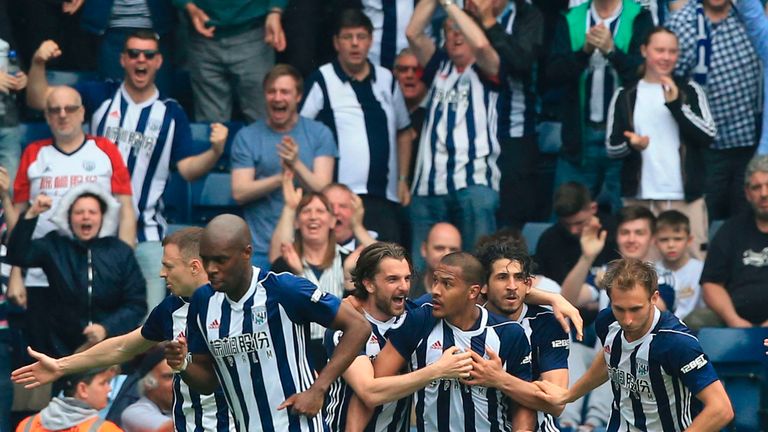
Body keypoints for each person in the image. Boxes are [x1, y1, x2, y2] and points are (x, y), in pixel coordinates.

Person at [25, 33, 228, 311]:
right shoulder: (100, 96)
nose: (140, 59)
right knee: (97, 320)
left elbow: (188, 170)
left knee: (150, 324)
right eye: (133, 53)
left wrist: (215, 151)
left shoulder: (170, 113)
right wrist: (37, 63)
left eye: (147, 54)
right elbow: (40, 101)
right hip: (95, 236)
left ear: (159, 61)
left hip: (147, 234)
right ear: (123, 59)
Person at [10, 226, 235, 432]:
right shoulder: (171, 309)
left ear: (195, 267)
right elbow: (122, 346)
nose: (161, 273)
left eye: (168, 266)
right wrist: (61, 366)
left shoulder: (244, 303)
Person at [164, 214, 371, 431]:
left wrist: (318, 389)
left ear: (247, 253)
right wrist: (182, 365)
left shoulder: (284, 289)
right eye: (206, 259)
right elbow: (209, 383)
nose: (212, 268)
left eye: (221, 260)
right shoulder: (203, 302)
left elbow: (358, 326)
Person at [535, 258, 734, 431]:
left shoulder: (677, 342)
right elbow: (609, 359)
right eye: (619, 309)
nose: (627, 320)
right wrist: (569, 395)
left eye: (635, 309)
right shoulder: (607, 321)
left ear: (654, 298)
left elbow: (721, 409)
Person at [372, 252, 536, 430]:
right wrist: (436, 371)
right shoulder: (420, 320)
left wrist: (499, 378)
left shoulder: (508, 333)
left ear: (473, 291)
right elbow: (376, 386)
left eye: (447, 284)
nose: (435, 290)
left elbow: (524, 405)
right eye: (435, 280)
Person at [324, 242, 473, 431]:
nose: (404, 287)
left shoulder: (418, 314)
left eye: (407, 278)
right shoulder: (345, 327)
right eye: (392, 279)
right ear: (369, 284)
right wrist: (438, 370)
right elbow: (369, 392)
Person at [301, 8, 413, 244]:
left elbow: (404, 131)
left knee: (387, 265)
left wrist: (403, 179)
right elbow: (301, 131)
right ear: (336, 42)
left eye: (361, 37)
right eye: (347, 37)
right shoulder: (322, 78)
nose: (355, 44)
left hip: (384, 198)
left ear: (371, 41)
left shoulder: (386, 79)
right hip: (337, 202)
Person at [606, 26, 715, 259]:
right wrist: (631, 145)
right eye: (660, 50)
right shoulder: (626, 94)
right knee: (639, 273)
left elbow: (708, 136)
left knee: (694, 265)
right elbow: (612, 148)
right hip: (639, 199)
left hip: (685, 197)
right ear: (645, 50)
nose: (666, 57)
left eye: (672, 51)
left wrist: (677, 106)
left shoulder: (690, 90)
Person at [407, 0, 504, 257]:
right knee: (420, 269)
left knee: (478, 265)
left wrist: (450, 6)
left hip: (474, 183)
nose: (456, 34)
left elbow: (482, 45)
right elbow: (412, 33)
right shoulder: (439, 64)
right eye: (450, 29)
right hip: (428, 185)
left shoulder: (487, 67)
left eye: (462, 27)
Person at [6, 186, 146, 359]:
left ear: (102, 217)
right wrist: (32, 214)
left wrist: (106, 328)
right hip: (65, 350)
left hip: (113, 348)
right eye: (79, 212)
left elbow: (136, 304)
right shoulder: (55, 245)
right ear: (69, 217)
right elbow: (17, 255)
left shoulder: (120, 252)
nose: (85, 216)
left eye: (92, 212)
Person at [547, 0, 653, 213]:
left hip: (624, 139)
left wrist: (612, 51)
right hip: (579, 138)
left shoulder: (639, 17)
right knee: (569, 217)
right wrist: (584, 52)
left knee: (625, 220)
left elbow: (645, 73)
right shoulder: (570, 18)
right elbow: (552, 74)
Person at [231, 64, 336, 269]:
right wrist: (281, 178)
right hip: (259, 249)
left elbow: (324, 190)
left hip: (309, 250)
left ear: (298, 97)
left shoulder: (319, 133)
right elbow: (239, 192)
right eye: (272, 91)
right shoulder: (248, 136)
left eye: (285, 92)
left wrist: (296, 163)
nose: (278, 98)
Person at [667, 0, 760, 221]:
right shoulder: (681, 22)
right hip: (704, 148)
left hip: (749, 145)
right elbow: (669, 78)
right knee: (704, 222)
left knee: (747, 221)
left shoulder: (748, 17)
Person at [472, 239, 569, 431]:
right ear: (484, 285)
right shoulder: (469, 319)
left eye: (519, 278)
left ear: (528, 284)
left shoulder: (547, 323)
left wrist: (499, 379)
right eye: (502, 277)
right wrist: (552, 296)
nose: (512, 286)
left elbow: (556, 402)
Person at [468, 0, 544, 230]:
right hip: (471, 134)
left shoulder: (528, 15)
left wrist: (489, 23)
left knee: (510, 218)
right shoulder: (465, 16)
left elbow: (522, 62)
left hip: (514, 134)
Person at [269, 173, 354, 369]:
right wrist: (297, 274)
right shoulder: (284, 265)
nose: (313, 216)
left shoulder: (349, 262)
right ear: (297, 222)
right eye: (306, 211)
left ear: (333, 221)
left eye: (320, 211)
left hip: (339, 351)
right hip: (297, 354)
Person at [175, 0, 286, 122]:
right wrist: (188, 6)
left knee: (263, 119)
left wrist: (275, 11)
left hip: (253, 33)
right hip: (202, 36)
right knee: (211, 126)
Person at [697, 154, 768, 327]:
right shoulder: (730, 230)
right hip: (734, 321)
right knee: (697, 321)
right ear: (747, 193)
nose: (764, 193)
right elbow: (711, 285)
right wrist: (734, 320)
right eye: (756, 187)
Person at [535, 182, 619, 285]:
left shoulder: (617, 231)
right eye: (566, 224)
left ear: (593, 208)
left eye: (579, 223)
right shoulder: (549, 240)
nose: (573, 230)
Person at [15, 368, 122, 432]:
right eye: (103, 383)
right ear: (82, 389)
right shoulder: (105, 429)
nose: (109, 389)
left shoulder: (27, 425)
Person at [654, 210, 703, 321]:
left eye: (677, 239)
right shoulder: (650, 272)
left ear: (689, 240)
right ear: (655, 242)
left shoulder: (701, 270)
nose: (671, 245)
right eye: (664, 240)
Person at [121, 347, 174, 432]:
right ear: (148, 383)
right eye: (169, 377)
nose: (179, 384)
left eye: (182, 377)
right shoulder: (135, 413)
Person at [322, 183, 377, 252]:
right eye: (330, 206)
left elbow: (384, 259)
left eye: (342, 206)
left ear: (355, 211)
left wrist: (357, 227)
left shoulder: (369, 238)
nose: (336, 212)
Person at [414, 222, 461, 298]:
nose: (446, 254)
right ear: (424, 249)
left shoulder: (466, 295)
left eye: (453, 250)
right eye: (439, 248)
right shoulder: (408, 288)